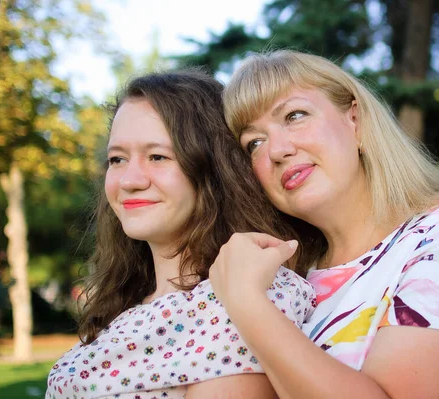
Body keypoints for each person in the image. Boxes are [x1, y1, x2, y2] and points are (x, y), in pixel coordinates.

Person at [209, 50, 439, 399]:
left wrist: (246, 302)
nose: (277, 150)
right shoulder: (290, 278)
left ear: (355, 120)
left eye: (294, 115)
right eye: (254, 142)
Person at [45, 69, 316, 399]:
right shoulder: (123, 306)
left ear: (214, 170)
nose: (129, 180)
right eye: (117, 159)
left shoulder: (247, 294)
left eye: (157, 156)